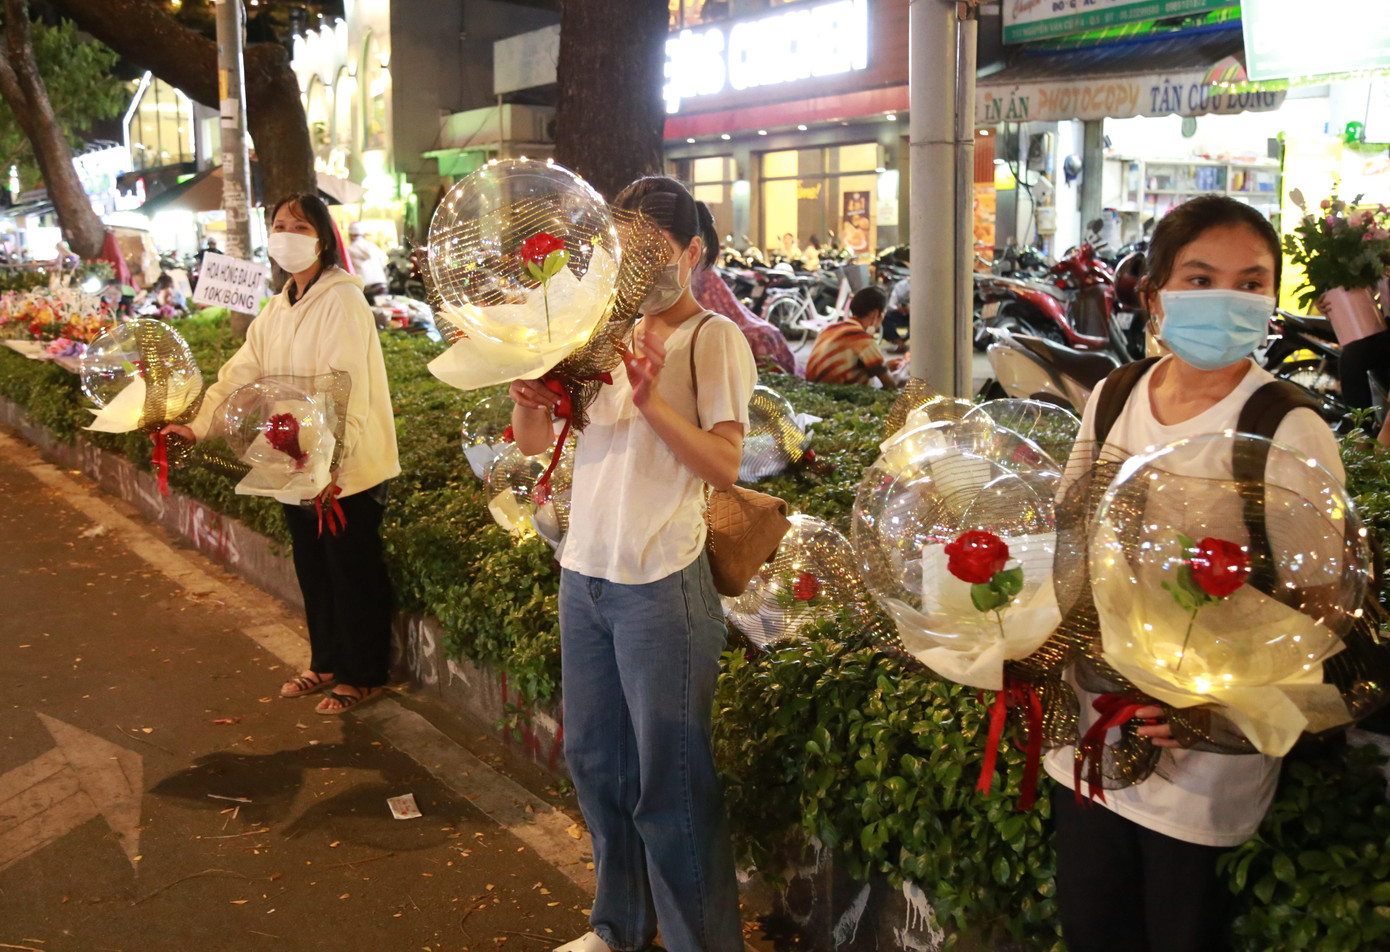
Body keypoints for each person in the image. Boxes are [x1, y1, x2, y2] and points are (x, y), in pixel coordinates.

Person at [1047, 195, 1344, 952]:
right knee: (1092, 927)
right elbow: (1071, 529)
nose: (1226, 300)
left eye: (1251, 283)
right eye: (1201, 278)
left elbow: (1321, 607)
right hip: (1090, 730)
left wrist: (1210, 710)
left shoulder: (1285, 424)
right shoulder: (1116, 396)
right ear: (1155, 296)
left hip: (1203, 764)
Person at [509, 176, 754, 952]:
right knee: (596, 764)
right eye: (626, 252)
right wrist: (528, 390)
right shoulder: (601, 332)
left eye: (654, 251)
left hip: (661, 585)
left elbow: (724, 464)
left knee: (670, 787)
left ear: (692, 251)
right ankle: (618, 927)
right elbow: (531, 444)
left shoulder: (713, 338)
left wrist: (652, 401)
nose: (638, 269)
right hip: (585, 575)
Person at [161, 193, 400, 716]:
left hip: (345, 469)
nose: (286, 234)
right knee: (314, 569)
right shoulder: (276, 310)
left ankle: (362, 675)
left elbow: (345, 386)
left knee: (351, 570)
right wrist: (196, 428)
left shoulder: (342, 300)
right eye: (279, 225)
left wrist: (331, 461)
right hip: (291, 460)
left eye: (299, 226)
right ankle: (327, 663)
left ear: (322, 238)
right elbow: (238, 377)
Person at [804, 285, 898, 388]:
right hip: (837, 395)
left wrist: (886, 366)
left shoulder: (829, 329)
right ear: (876, 314)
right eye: (883, 314)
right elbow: (890, 385)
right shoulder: (861, 338)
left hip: (813, 391)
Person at [347, 221, 389, 305]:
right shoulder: (372, 246)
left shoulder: (350, 250)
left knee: (367, 311)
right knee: (382, 310)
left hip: (366, 287)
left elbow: (348, 269)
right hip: (382, 284)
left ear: (350, 235)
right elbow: (383, 262)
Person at [883, 276, 910, 346]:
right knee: (885, 317)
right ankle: (897, 340)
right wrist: (898, 308)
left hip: (917, 315)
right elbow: (891, 304)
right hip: (902, 313)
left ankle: (905, 340)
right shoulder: (901, 285)